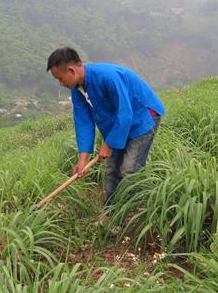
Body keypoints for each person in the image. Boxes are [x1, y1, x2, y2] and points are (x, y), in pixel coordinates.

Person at [47, 47, 165, 222]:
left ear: (71, 71)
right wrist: (82, 159)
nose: (60, 83)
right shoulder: (77, 88)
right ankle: (110, 213)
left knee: (129, 169)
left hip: (143, 116)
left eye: (60, 79)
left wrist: (108, 144)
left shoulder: (107, 77)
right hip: (117, 124)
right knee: (111, 169)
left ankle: (134, 214)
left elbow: (125, 113)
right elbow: (84, 122)